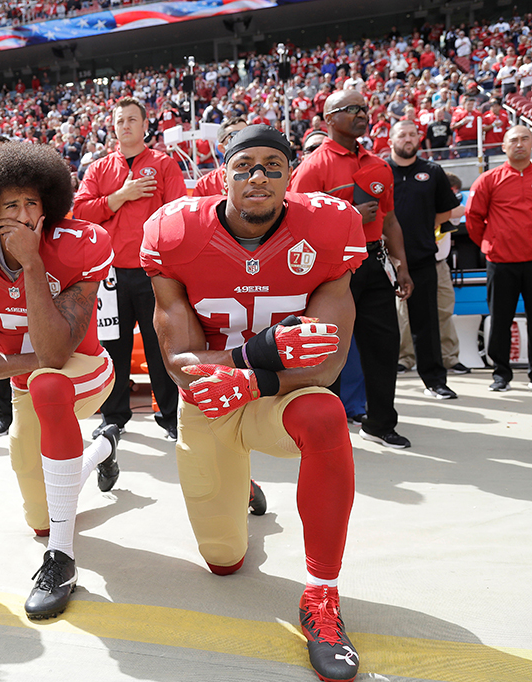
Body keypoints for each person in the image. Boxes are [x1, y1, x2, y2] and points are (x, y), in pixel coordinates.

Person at [144, 124, 364, 682]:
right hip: (211, 402)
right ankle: (238, 483)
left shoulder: (330, 225)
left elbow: (328, 364)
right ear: (223, 176)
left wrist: (250, 380)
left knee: (325, 413)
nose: (258, 176)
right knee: (225, 562)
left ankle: (322, 595)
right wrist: (260, 354)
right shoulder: (175, 230)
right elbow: (183, 364)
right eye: (244, 166)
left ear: (292, 175)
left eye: (272, 165)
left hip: (279, 396)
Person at [0, 142, 119, 621]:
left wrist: (34, 263)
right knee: (40, 518)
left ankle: (61, 560)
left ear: (50, 205)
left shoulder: (81, 243)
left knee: (49, 383)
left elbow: (57, 354)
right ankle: (102, 449)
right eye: (10, 206)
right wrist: (26, 362)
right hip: (27, 383)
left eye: (32, 203)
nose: (23, 215)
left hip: (84, 372)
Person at [290, 90, 415, 449]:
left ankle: (379, 422)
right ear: (329, 119)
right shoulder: (313, 167)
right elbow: (295, 225)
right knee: (323, 350)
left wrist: (401, 267)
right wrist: (346, 216)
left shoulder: (378, 164)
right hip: (331, 271)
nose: (362, 113)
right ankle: (319, 426)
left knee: (384, 346)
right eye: (351, 109)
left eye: (364, 108)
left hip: (374, 263)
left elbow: (390, 221)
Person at [73, 96, 183, 441]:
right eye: (120, 120)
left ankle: (170, 417)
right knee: (113, 347)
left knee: (160, 345)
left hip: (153, 273)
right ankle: (114, 416)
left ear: (144, 124)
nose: (125, 126)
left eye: (132, 119)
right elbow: (81, 212)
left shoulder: (164, 165)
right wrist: (120, 196)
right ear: (113, 126)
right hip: (110, 274)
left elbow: (179, 212)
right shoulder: (100, 169)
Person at [386, 121, 460, 400]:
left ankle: (435, 381)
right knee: (383, 324)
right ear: (390, 139)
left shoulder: (433, 171)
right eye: (402, 134)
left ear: (420, 138)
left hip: (421, 258)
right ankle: (382, 385)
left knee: (426, 324)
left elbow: (448, 211)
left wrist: (425, 224)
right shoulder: (379, 170)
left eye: (412, 134)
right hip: (383, 261)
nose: (408, 139)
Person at [465, 125, 532, 392]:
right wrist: (489, 243)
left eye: (525, 139)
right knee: (500, 319)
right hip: (501, 260)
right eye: (513, 140)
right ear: (503, 146)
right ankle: (501, 374)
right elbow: (473, 218)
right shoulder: (489, 179)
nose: (520, 144)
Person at [191, 117, 248, 197]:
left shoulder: (265, 178)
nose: (243, 141)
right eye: (235, 136)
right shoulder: (205, 185)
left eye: (247, 134)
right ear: (221, 148)